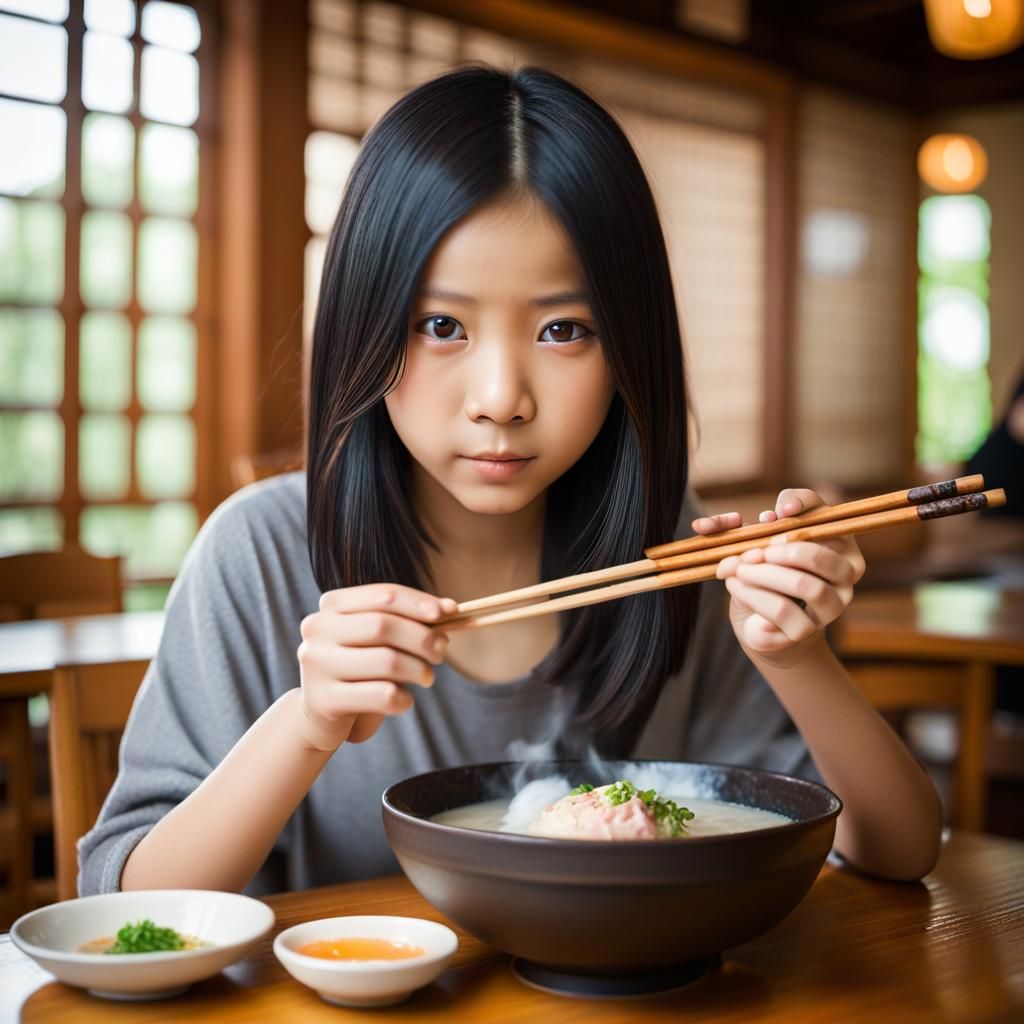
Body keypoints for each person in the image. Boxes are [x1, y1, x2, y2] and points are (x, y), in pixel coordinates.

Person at [79, 67, 941, 896]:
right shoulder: (261, 552)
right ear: (364, 325)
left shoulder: (670, 552)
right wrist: (304, 722)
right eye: (442, 325)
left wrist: (796, 657)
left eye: (564, 329)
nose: (500, 399)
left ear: (629, 350)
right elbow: (123, 907)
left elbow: (897, 852)